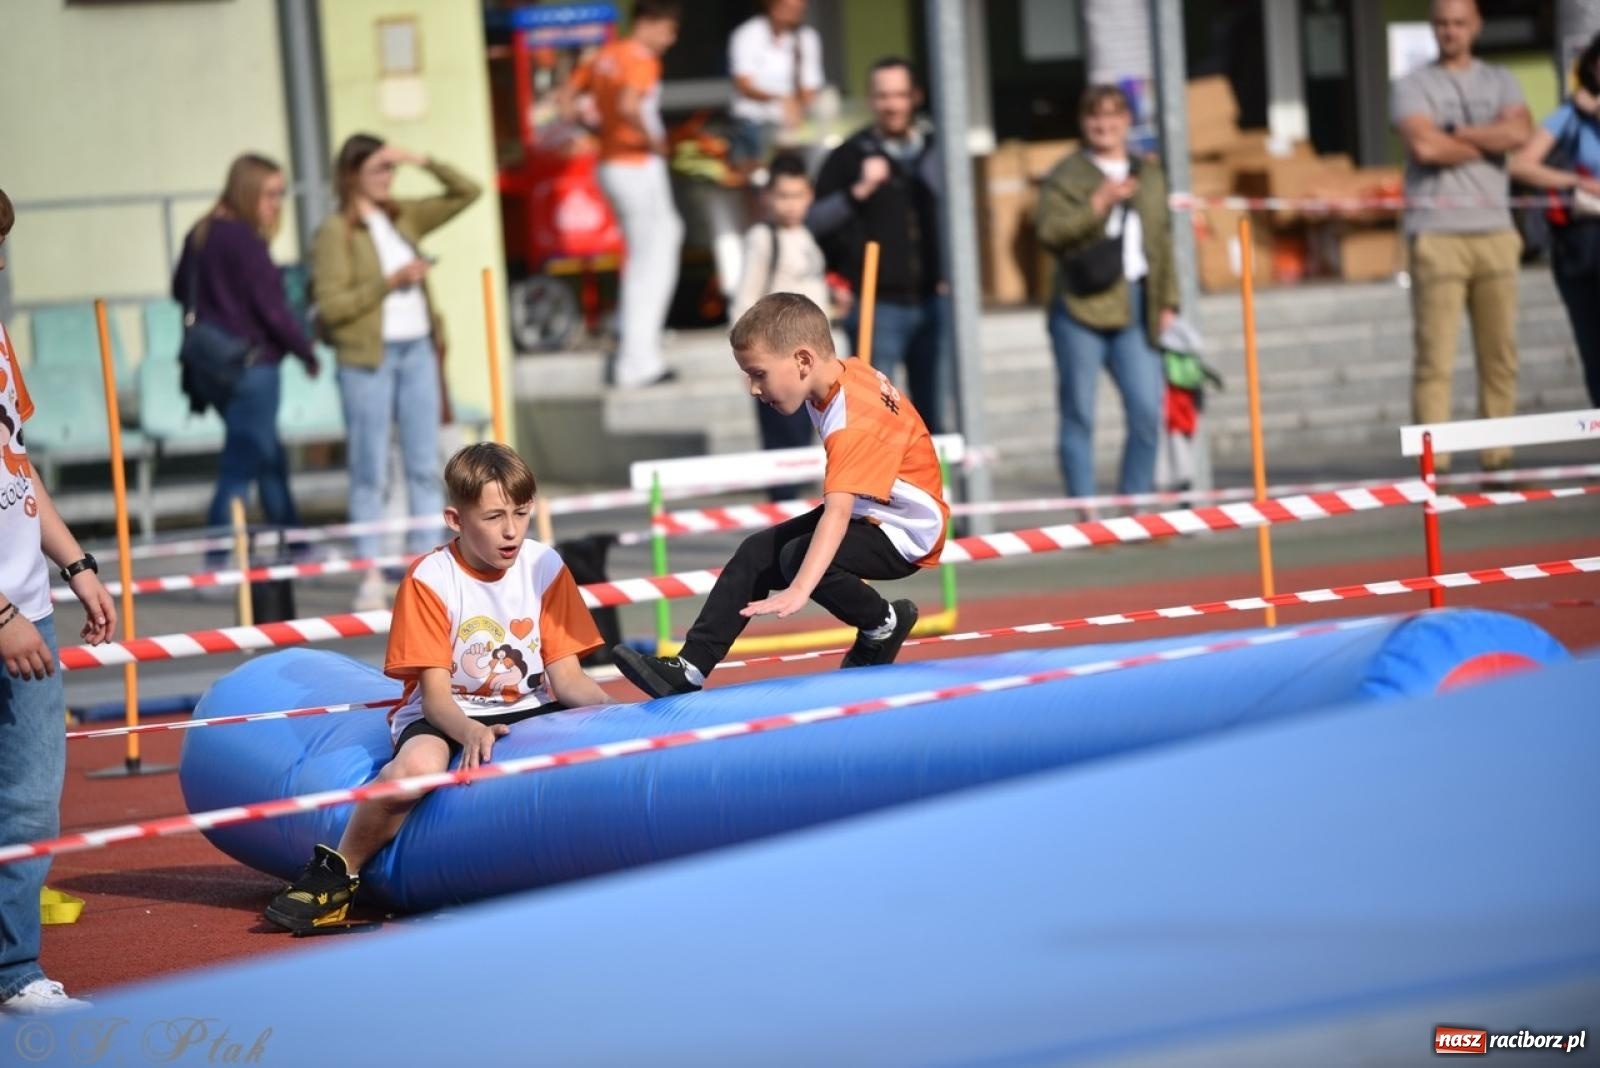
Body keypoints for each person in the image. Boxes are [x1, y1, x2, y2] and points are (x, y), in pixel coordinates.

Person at [264, 443, 611, 932]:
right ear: (455, 518)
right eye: (493, 517)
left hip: (530, 707)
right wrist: (469, 731)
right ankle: (338, 873)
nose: (511, 530)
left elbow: (569, 679)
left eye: (521, 513)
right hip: (448, 713)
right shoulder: (431, 579)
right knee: (418, 768)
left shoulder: (545, 566)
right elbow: (436, 699)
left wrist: (620, 716)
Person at [612, 293, 946, 699]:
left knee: (798, 559)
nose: (753, 389)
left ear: (803, 361)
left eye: (758, 374)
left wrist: (800, 588)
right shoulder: (838, 375)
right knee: (756, 553)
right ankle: (689, 668)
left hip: (904, 529)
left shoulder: (851, 424)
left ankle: (884, 623)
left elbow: (837, 515)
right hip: (872, 507)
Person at [0, 187, 118, 1013]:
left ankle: (13, 973)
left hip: (29, 609)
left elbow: (18, 468)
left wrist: (76, 562)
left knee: (31, 798)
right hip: (7, 619)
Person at [312, 135, 481, 610]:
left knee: (425, 465)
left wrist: (420, 157)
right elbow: (333, 304)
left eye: (392, 170)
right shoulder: (335, 232)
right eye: (379, 171)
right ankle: (369, 571)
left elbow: (467, 192)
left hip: (417, 350)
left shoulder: (401, 215)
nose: (389, 179)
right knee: (370, 469)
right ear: (352, 177)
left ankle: (430, 571)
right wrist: (392, 281)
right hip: (367, 357)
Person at [1392, 0, 1531, 471]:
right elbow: (1424, 146)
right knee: (1435, 360)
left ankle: (1498, 460)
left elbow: (1522, 133)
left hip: (1495, 229)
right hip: (1436, 233)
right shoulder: (1413, 84)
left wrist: (1456, 131)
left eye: (1459, 23)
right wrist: (1489, 136)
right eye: (1442, 24)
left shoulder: (1501, 80)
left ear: (1476, 26)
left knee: (1500, 356)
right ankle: (1438, 466)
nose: (1450, 32)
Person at [1035, 85, 1179, 503]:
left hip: (1138, 302)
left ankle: (1135, 507)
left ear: (1127, 121)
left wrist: (1169, 300)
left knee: (1147, 413)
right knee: (1079, 413)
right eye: (1095, 116)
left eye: (1114, 115)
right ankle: (1087, 514)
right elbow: (1049, 233)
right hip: (1079, 305)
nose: (1105, 124)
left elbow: (1164, 241)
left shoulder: (1149, 174)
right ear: (1083, 122)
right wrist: (1098, 204)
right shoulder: (1067, 175)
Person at [172, 154, 320, 539]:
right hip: (252, 368)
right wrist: (306, 351)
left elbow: (178, 289)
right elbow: (272, 310)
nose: (277, 204)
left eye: (281, 194)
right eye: (270, 194)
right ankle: (218, 556)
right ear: (248, 191)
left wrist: (219, 307)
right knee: (240, 466)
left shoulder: (202, 231)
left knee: (268, 455)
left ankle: (293, 541)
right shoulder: (244, 240)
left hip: (212, 367)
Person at [808, 57, 950, 433]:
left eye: (900, 95)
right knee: (877, 419)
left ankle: (930, 491)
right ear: (871, 100)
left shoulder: (937, 153)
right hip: (875, 303)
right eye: (883, 96)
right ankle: (878, 493)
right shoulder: (850, 155)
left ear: (915, 98)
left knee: (930, 416)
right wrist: (860, 190)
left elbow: (965, 215)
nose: (892, 104)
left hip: (932, 301)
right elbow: (815, 222)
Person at [575, 0, 684, 390]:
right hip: (636, 165)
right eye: (669, 29)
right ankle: (638, 359)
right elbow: (627, 104)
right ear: (649, 22)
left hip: (611, 164)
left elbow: (567, 102)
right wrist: (652, 139)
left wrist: (602, 134)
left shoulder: (605, 55)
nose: (671, 40)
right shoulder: (640, 59)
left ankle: (634, 335)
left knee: (660, 243)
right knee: (651, 260)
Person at [730, 153, 841, 498]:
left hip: (812, 364)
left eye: (798, 196)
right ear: (767, 198)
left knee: (810, 454)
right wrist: (751, 368)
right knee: (785, 456)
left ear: (809, 196)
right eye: (783, 196)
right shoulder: (763, 238)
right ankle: (784, 530)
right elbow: (744, 301)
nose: (791, 205)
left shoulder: (806, 235)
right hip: (779, 366)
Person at [1509, 32, 1600, 407]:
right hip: (1582, 245)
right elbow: (1520, 165)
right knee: (1594, 349)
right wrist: (1576, 180)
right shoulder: (1570, 115)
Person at [727, 0, 824, 166]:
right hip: (755, 122)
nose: (795, 13)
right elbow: (743, 84)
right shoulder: (748, 35)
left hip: (794, 126)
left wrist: (798, 107)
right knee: (758, 175)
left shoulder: (806, 38)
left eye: (800, 8)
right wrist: (782, 99)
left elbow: (811, 84)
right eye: (790, 7)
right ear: (772, 6)